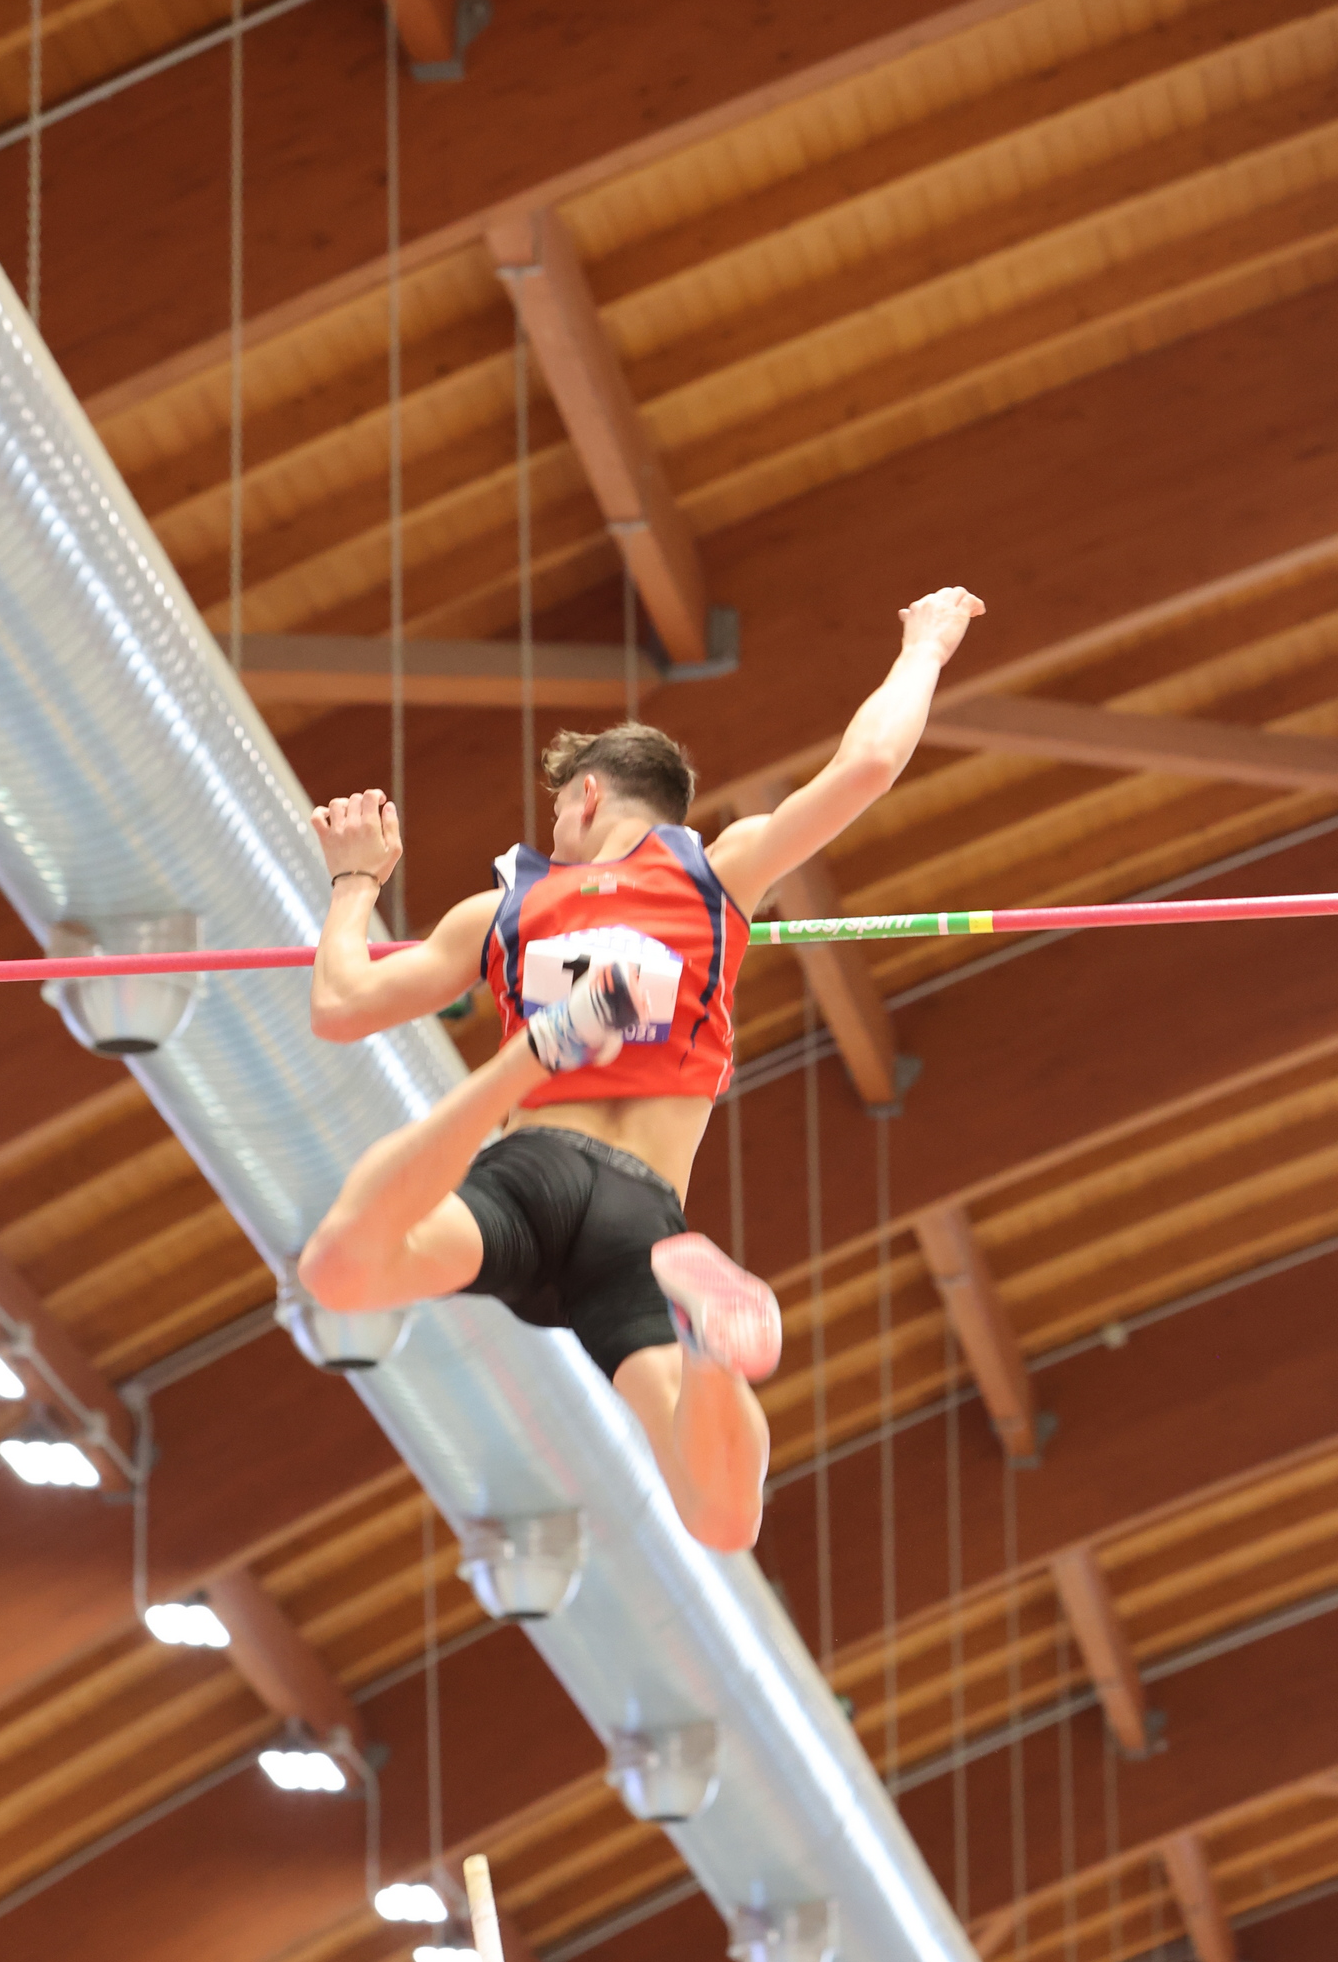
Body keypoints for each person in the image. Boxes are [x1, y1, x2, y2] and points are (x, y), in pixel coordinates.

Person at [300, 586, 985, 1553]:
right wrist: (926, 645)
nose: (553, 833)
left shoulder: (499, 911)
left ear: (585, 797)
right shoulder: (718, 875)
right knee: (722, 1520)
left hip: (530, 1177)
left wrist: (354, 884)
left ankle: (530, 1060)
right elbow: (866, 765)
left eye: (557, 812)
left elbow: (338, 1007)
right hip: (639, 1216)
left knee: (338, 1270)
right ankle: (708, 1352)